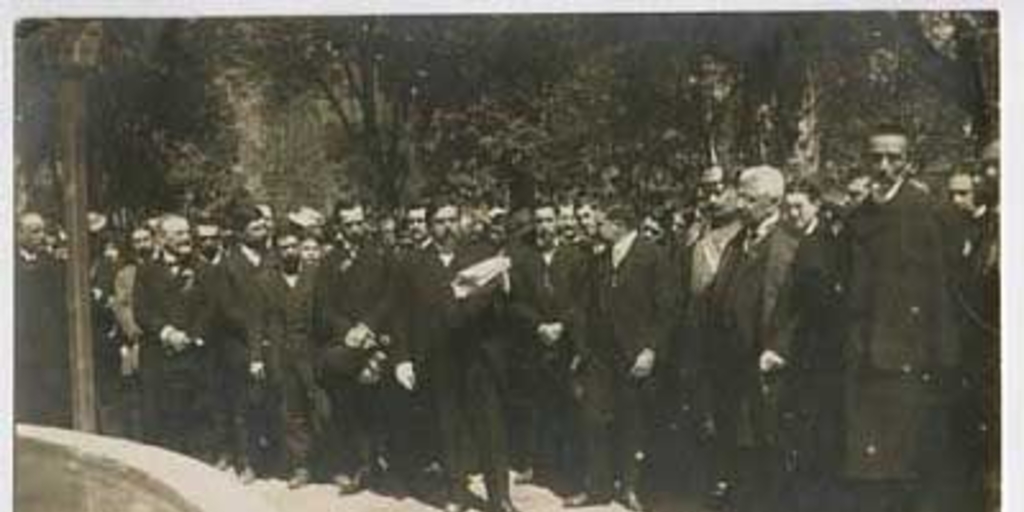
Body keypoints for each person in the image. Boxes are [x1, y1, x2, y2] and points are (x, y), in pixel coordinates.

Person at [843, 125, 963, 512]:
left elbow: (943, 289)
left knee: (906, 465)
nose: (883, 166)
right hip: (861, 353)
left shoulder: (927, 211)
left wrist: (943, 356)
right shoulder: (857, 215)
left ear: (907, 163)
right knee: (866, 466)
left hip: (909, 357)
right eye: (876, 157)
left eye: (893, 158)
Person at [393, 199, 520, 512]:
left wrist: (462, 304)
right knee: (448, 425)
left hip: (478, 354)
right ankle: (456, 494)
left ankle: (499, 496)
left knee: (490, 426)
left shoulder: (481, 255)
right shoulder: (412, 263)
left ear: (461, 222)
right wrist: (403, 358)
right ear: (429, 225)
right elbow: (401, 314)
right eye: (440, 221)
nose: (447, 227)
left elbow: (495, 299)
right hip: (438, 355)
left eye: (452, 220)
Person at [701, 166, 800, 512]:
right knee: (734, 443)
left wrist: (778, 348)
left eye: (749, 197)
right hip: (730, 364)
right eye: (740, 195)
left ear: (773, 201)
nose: (740, 204)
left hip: (764, 365)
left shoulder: (787, 244)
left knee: (763, 446)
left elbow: (797, 309)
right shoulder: (739, 241)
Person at [566, 202, 673, 512]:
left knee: (632, 421)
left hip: (634, 356)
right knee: (593, 420)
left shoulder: (652, 256)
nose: (595, 229)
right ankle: (596, 487)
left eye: (601, 223)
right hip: (600, 356)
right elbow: (586, 306)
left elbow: (667, 309)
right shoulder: (600, 259)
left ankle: (628, 488)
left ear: (619, 224)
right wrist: (583, 350)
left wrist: (651, 349)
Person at [313, 201, 397, 494]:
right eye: (349, 224)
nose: (356, 229)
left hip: (374, 337)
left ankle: (379, 462)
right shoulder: (328, 262)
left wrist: (368, 327)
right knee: (347, 403)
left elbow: (390, 298)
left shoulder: (381, 256)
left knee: (377, 400)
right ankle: (357, 464)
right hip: (345, 344)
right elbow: (323, 308)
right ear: (339, 227)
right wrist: (348, 331)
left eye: (360, 222)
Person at [780, 180, 850, 512]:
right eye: (788, 206)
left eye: (799, 206)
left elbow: (820, 304)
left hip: (819, 351)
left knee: (817, 433)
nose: (793, 213)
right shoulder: (799, 240)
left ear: (816, 205)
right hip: (804, 349)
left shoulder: (823, 243)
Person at [508, 202, 585, 487]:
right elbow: (515, 302)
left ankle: (566, 467)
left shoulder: (575, 257)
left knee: (567, 405)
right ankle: (533, 465)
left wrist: (562, 326)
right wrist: (539, 326)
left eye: (548, 220)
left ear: (558, 223)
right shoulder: (523, 258)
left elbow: (581, 300)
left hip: (567, 344)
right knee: (534, 405)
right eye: (538, 221)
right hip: (534, 342)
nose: (543, 227)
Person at [134, 215, 216, 457]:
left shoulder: (203, 269)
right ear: (162, 238)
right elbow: (142, 309)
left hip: (193, 357)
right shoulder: (146, 271)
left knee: (195, 419)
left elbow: (210, 308)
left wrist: (192, 336)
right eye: (179, 233)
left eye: (187, 233)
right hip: (158, 357)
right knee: (159, 420)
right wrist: (167, 333)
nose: (186, 238)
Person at [214, 202, 273, 483]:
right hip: (239, 345)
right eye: (255, 228)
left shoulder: (273, 258)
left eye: (263, 226)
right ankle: (245, 460)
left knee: (271, 401)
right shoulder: (228, 265)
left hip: (273, 341)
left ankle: (274, 458)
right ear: (240, 233)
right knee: (242, 404)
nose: (262, 231)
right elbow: (228, 310)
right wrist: (255, 333)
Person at [262, 227, 324, 488]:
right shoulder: (267, 280)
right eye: (284, 247)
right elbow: (268, 322)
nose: (289, 251)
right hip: (284, 354)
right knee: (292, 412)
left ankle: (331, 462)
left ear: (301, 247)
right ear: (277, 251)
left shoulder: (316, 276)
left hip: (314, 352)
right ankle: (301, 466)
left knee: (321, 407)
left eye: (293, 246)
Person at [15, 212, 71, 427]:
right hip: (20, 344)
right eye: (34, 231)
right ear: (19, 234)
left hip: (48, 345)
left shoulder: (53, 265)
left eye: (42, 231)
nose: (41, 236)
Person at [111, 225, 157, 440]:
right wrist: (135, 333)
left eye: (145, 239)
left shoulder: (163, 266)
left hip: (164, 337)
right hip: (138, 341)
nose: (142, 245)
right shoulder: (125, 274)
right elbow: (122, 307)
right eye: (137, 241)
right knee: (138, 393)